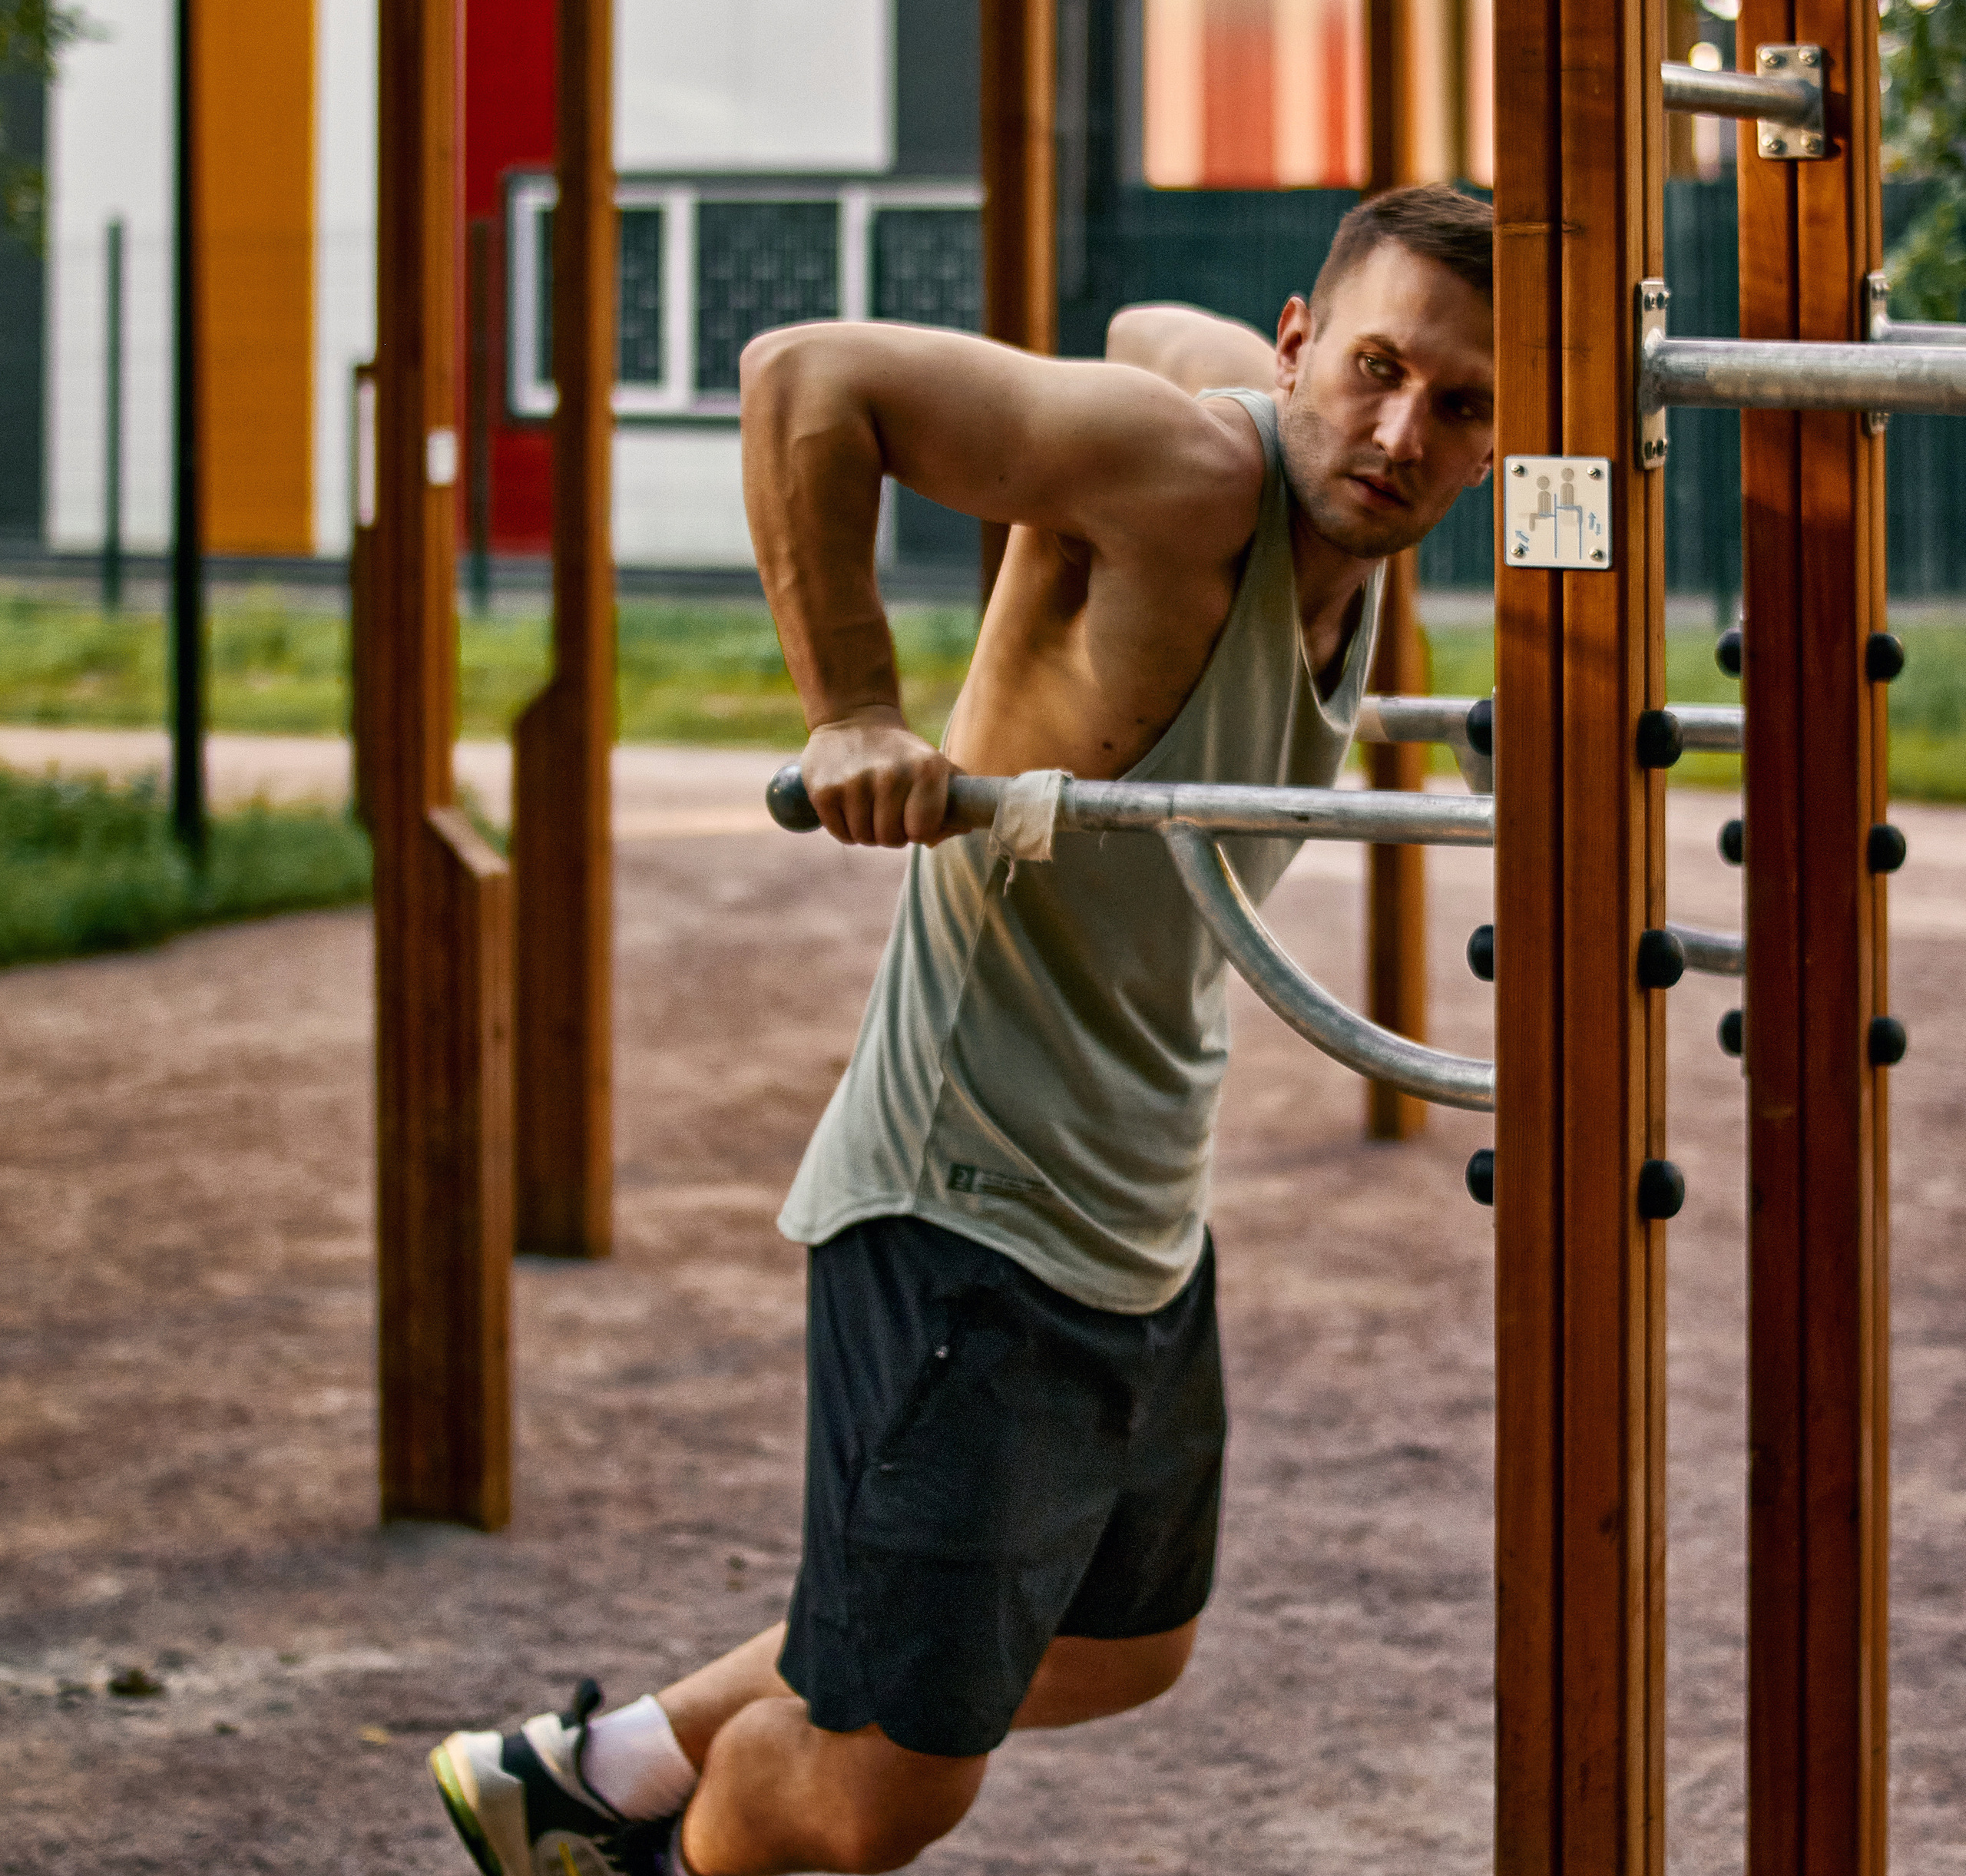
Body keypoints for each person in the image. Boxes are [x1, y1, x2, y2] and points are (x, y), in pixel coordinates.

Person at [429, 181, 1495, 1876]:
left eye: (1457, 403)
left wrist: (1178, 368)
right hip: (968, 1205)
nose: (1395, 428)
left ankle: (588, 1771)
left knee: (1118, 1642)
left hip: (1133, 1211)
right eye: (1369, 367)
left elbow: (1158, 335)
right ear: (1298, 345)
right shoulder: (1200, 475)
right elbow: (802, 373)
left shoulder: (1316, 498)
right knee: (883, 1782)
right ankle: (662, 1841)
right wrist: (851, 703)